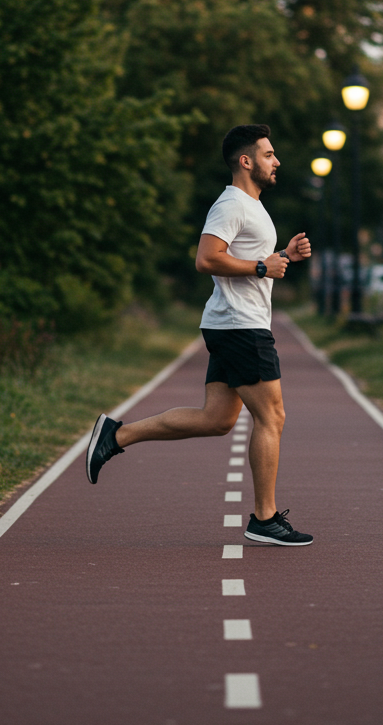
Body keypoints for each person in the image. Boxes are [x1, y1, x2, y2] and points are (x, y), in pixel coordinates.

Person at [85, 124, 314, 546]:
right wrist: (265, 266)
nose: (276, 161)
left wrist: (283, 257)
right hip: (240, 326)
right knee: (272, 417)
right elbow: (207, 259)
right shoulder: (231, 205)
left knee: (217, 419)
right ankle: (264, 518)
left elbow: (246, 263)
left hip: (234, 323)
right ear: (246, 161)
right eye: (268, 154)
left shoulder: (251, 206)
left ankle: (116, 436)